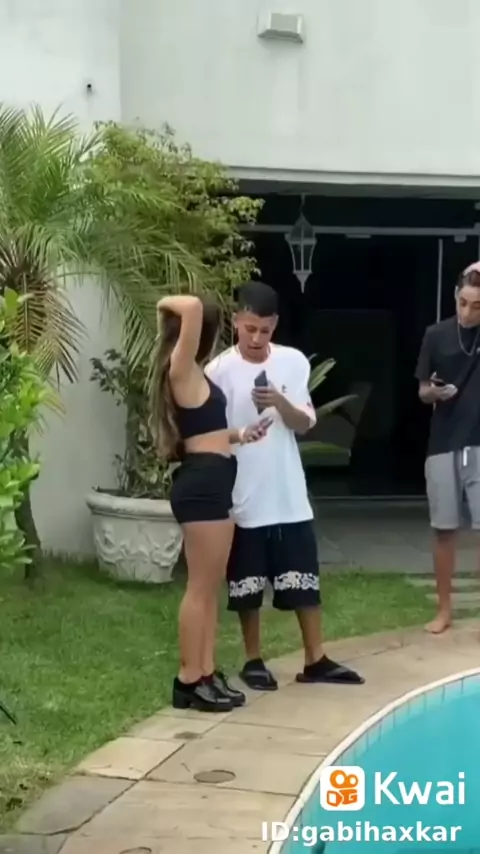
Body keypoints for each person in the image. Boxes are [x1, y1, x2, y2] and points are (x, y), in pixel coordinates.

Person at [205, 281, 364, 690]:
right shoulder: (217, 372)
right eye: (250, 329)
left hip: (288, 491)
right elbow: (210, 435)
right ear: (236, 320)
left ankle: (316, 658)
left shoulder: (292, 362)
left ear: (275, 324)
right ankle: (253, 659)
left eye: (265, 330)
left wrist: (279, 402)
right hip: (244, 492)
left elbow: (305, 423)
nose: (257, 338)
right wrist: (241, 435)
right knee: (246, 584)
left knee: (304, 579)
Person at [149, 293, 271, 712]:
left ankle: (205, 671)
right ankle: (188, 678)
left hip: (216, 480)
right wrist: (164, 305)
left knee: (210, 587)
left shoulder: (196, 374)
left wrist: (240, 435)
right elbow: (191, 307)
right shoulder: (180, 369)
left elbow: (205, 429)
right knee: (199, 587)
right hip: (201, 484)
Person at [415, 262, 480, 634]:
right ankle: (443, 610)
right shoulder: (436, 334)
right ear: (455, 297)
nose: (468, 312)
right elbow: (422, 390)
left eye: (476, 306)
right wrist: (434, 393)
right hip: (443, 441)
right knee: (444, 529)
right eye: (463, 303)